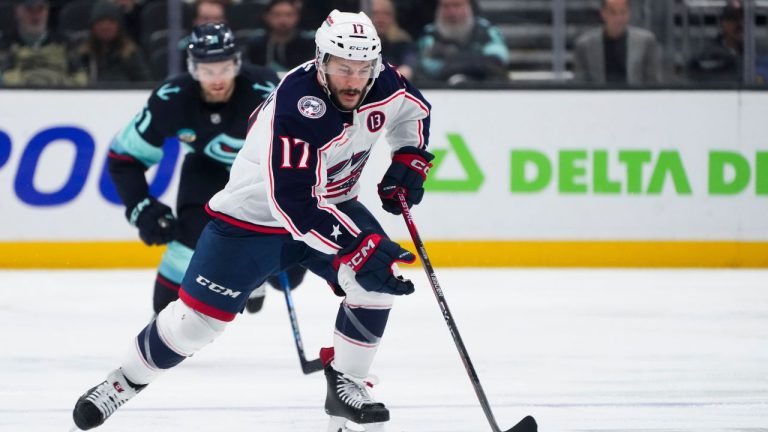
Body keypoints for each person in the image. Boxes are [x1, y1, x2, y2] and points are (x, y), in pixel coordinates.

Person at [71, 9, 433, 432]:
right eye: (342, 68)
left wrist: (410, 156)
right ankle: (123, 382)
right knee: (196, 325)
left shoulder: (382, 79)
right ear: (321, 60)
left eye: (362, 68)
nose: (354, 80)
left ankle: (346, 388)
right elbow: (294, 204)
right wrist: (357, 244)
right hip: (253, 220)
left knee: (376, 277)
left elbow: (414, 111)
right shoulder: (297, 106)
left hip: (331, 204)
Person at [103, 22, 302, 319]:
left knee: (290, 273)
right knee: (173, 282)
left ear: (237, 63)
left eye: (224, 68)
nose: (217, 79)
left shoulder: (265, 89)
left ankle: (256, 273)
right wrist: (141, 209)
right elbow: (123, 157)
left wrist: (295, 198)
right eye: (207, 70)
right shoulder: (171, 100)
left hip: (263, 175)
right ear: (193, 68)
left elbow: (300, 147)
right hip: (207, 169)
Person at [416, 0, 509, 85]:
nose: (451, 12)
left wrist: (452, 58)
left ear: (469, 6)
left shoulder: (487, 30)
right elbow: (428, 66)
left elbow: (497, 60)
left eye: (457, 5)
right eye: (446, 6)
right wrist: (476, 61)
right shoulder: (429, 34)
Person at [573, 0, 663, 85]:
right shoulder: (585, 45)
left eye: (623, 12)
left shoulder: (645, 42)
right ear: (603, 13)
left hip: (636, 99)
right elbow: (580, 83)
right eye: (613, 12)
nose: (618, 18)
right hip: (598, 99)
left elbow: (652, 82)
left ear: (629, 13)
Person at [0, 0, 86, 87]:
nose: (36, 16)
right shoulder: (4, 45)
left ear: (47, 12)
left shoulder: (65, 43)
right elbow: (7, 77)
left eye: (40, 9)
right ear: (17, 12)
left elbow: (80, 78)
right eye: (29, 10)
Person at [77, 1, 151, 83]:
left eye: (111, 21)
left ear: (119, 26)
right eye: (100, 21)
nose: (106, 26)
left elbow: (143, 85)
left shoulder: (131, 54)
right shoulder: (84, 55)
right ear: (92, 26)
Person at [244, 0, 316, 73]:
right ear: (266, 17)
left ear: (297, 17)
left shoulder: (308, 43)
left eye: (289, 15)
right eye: (277, 15)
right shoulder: (256, 43)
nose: (283, 20)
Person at [687, 2, 748, 84]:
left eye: (742, 19)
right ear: (722, 23)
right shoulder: (707, 54)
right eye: (732, 19)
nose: (739, 24)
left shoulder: (753, 53)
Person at [371, 0, 418, 80]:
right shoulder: (360, 42)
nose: (381, 19)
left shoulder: (402, 42)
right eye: (376, 13)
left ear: (393, 18)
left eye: (386, 14)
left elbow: (409, 65)